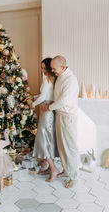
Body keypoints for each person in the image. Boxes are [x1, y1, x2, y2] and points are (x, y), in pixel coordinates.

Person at [43, 55, 79, 188]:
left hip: (68, 117)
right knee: (62, 147)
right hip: (59, 115)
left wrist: (49, 107)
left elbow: (64, 100)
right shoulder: (60, 77)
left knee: (70, 147)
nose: (52, 71)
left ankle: (74, 176)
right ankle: (66, 170)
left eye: (54, 68)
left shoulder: (70, 80)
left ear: (63, 67)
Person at [29, 58, 59, 182]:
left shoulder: (48, 80)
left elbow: (43, 97)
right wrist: (33, 97)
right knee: (47, 140)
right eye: (41, 68)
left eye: (44, 68)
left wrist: (33, 104)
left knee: (43, 140)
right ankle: (49, 167)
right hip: (47, 111)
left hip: (47, 113)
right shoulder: (49, 80)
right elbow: (44, 95)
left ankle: (54, 169)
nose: (42, 70)